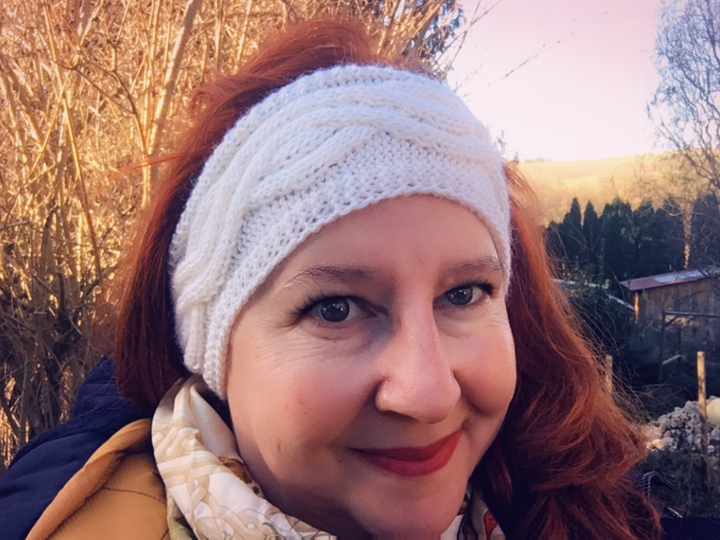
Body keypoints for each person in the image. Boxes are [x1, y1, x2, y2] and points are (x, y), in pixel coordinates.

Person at [0, 17, 662, 540]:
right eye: (336, 308)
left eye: (464, 294)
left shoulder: (594, 513)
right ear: (215, 354)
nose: (428, 393)